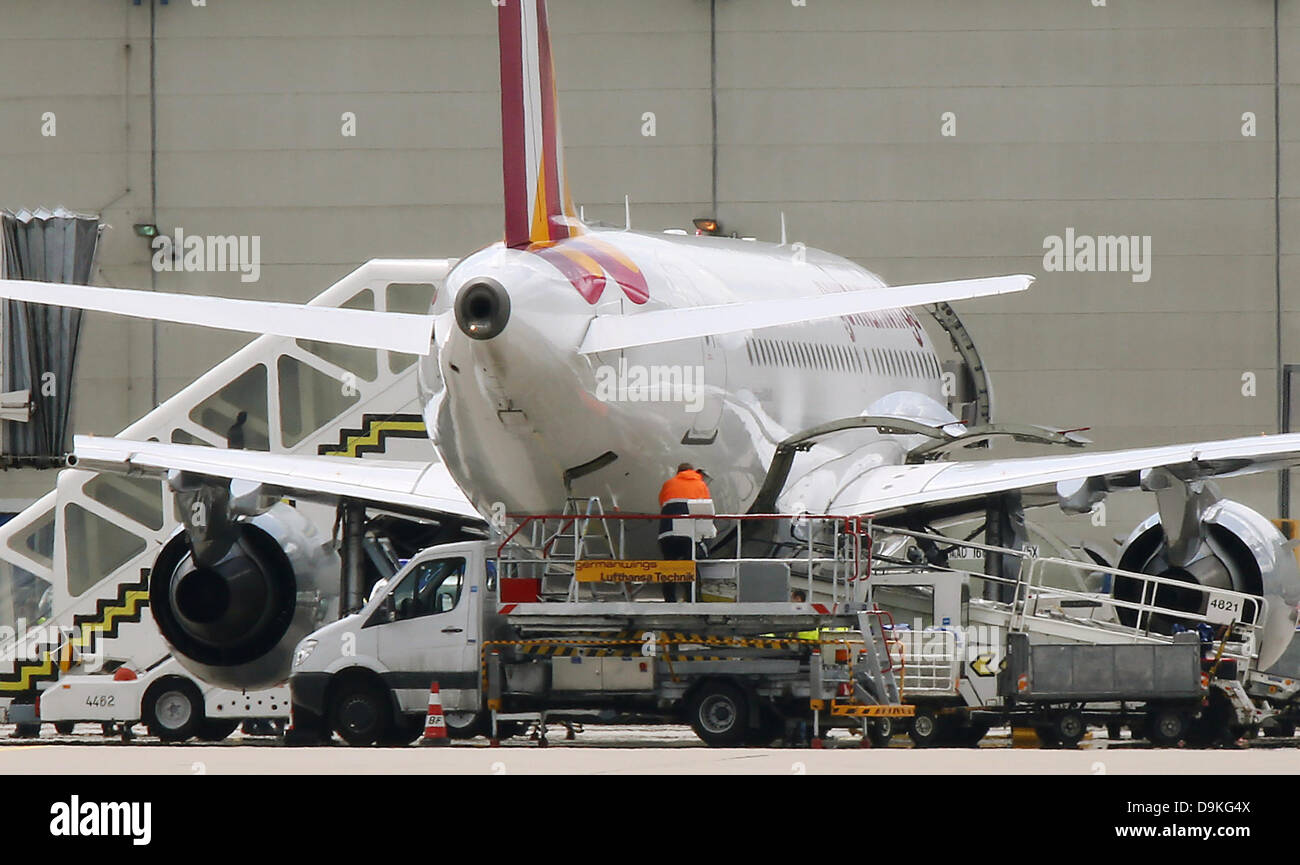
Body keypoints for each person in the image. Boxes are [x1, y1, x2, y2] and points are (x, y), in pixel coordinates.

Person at [658, 462, 713, 602]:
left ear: (678, 472)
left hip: (668, 531)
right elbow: (706, 509)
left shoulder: (668, 484)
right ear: (693, 471)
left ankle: (669, 600)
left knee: (669, 565)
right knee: (690, 566)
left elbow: (662, 502)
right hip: (689, 533)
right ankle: (691, 598)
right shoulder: (701, 485)